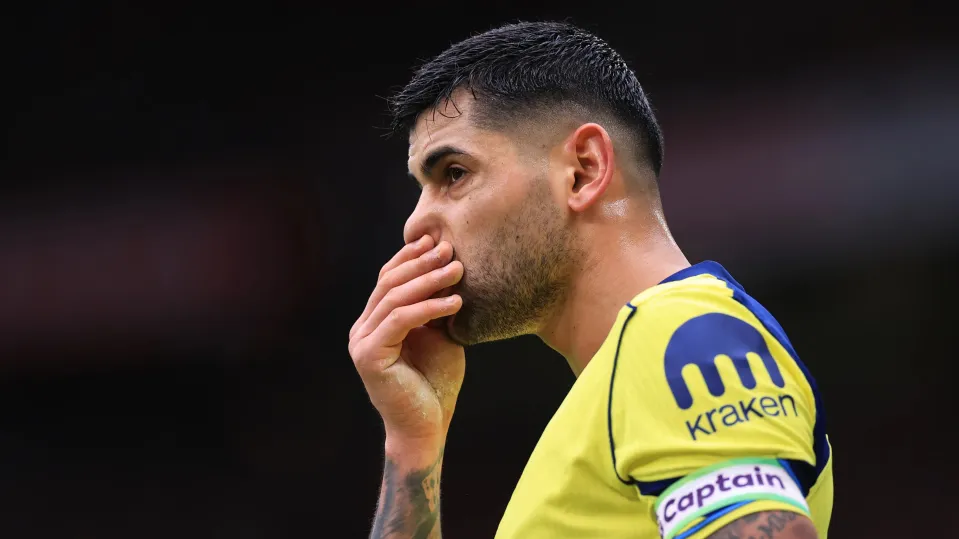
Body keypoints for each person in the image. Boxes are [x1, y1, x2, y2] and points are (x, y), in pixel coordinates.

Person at [348, 21, 833, 539]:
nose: (415, 222)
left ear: (583, 169)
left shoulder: (682, 337)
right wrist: (412, 444)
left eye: (454, 174)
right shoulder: (622, 382)